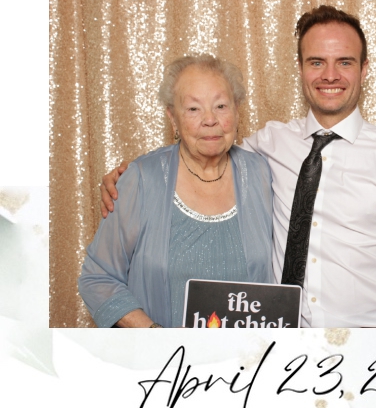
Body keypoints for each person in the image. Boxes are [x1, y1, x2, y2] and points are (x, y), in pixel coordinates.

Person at [99, 7, 376, 329]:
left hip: (364, 344)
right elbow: (204, 148)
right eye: (317, 62)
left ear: (364, 69)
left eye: (345, 62)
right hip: (273, 340)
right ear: (301, 68)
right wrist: (130, 178)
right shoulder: (268, 145)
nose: (330, 75)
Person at [80, 56, 273, 327]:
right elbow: (97, 277)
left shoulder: (262, 172)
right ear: (173, 118)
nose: (210, 120)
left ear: (237, 110)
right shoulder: (141, 179)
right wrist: (154, 334)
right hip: (163, 352)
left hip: (248, 351)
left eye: (221, 106)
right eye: (193, 109)